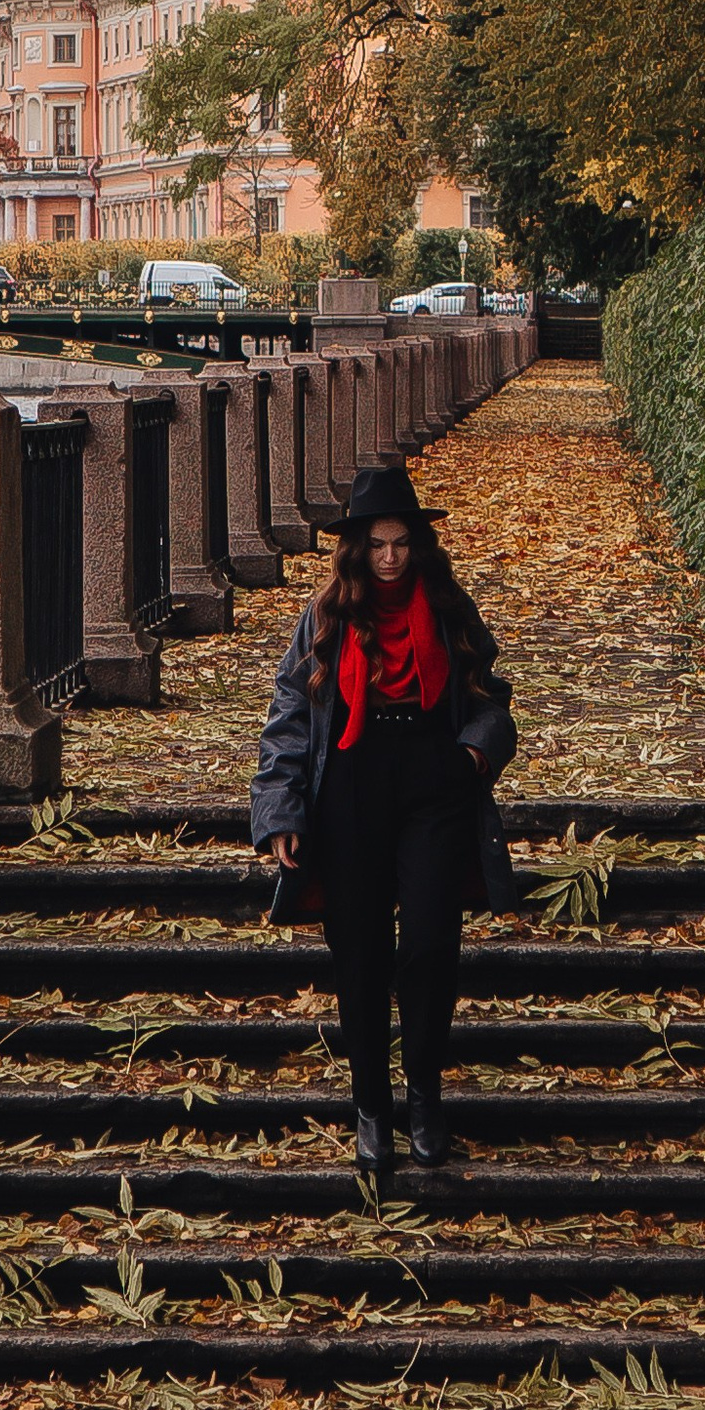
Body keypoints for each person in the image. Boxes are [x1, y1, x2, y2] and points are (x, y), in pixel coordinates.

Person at [249, 462, 519, 1173]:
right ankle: (371, 1106)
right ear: (357, 549)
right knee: (360, 953)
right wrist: (281, 810)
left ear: (418, 545)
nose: (391, 557)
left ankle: (424, 1099)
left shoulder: (449, 607)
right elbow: (287, 719)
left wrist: (471, 758)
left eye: (401, 543)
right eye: (378, 545)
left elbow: (493, 699)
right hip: (352, 782)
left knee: (431, 944)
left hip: (434, 779)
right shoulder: (326, 616)